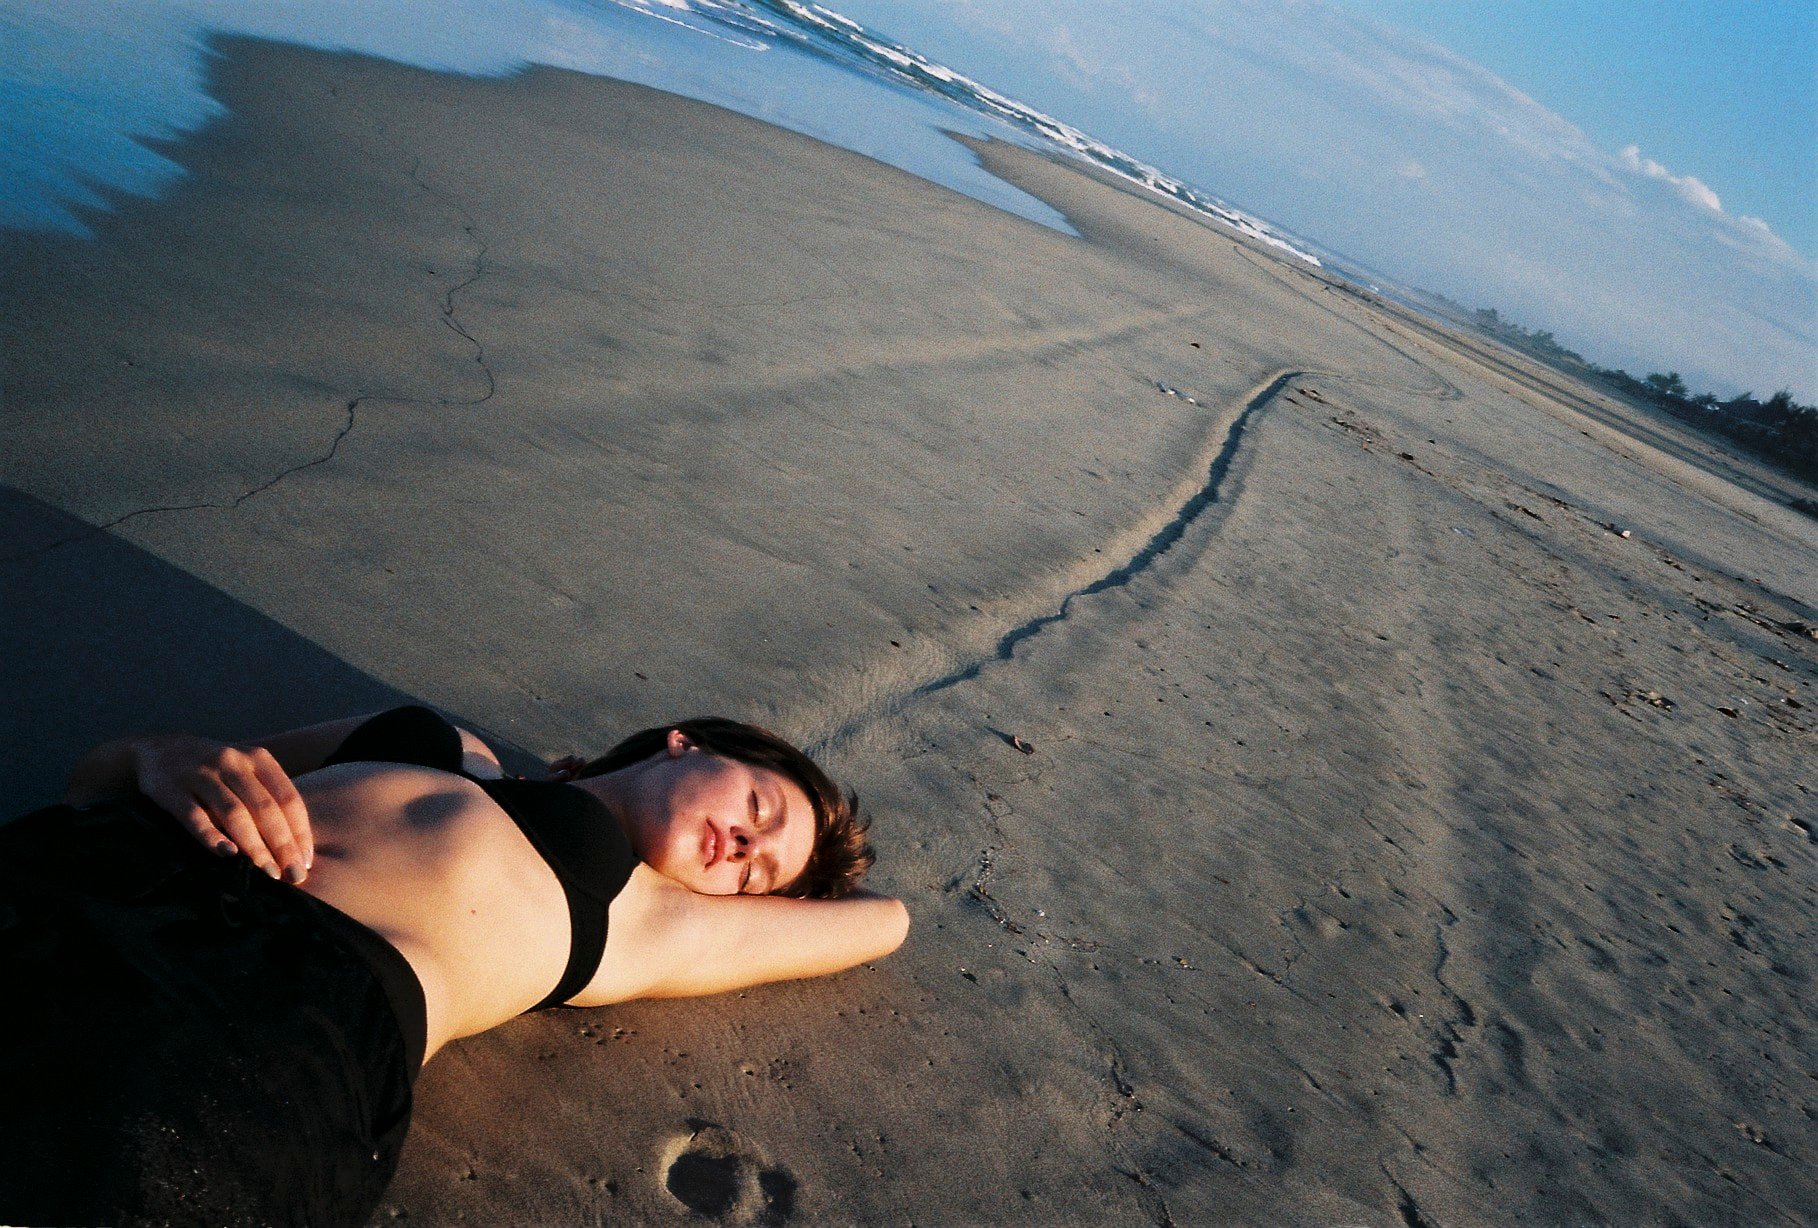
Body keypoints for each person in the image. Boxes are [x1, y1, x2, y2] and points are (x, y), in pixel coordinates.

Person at [0, 705, 908, 1226]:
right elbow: (102, 776)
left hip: (278, 1012)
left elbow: (887, 924)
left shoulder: (644, 918)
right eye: (759, 804)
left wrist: (820, 867)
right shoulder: (430, 736)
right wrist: (166, 755)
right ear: (690, 740)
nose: (745, 844)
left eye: (757, 874)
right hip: (102, 874)